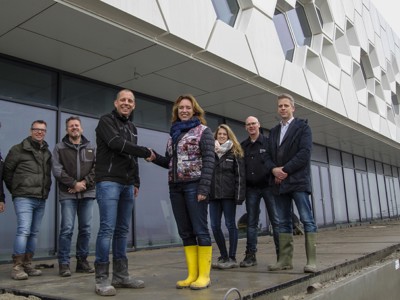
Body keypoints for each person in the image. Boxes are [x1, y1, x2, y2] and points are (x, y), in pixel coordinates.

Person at [149, 94, 215, 290]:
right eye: (180, 108)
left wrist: (204, 188)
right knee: (185, 232)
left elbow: (210, 161)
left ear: (194, 110)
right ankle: (192, 275)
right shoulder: (173, 135)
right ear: (176, 112)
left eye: (187, 107)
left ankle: (204, 276)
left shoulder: (204, 131)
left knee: (200, 230)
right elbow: (171, 162)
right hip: (176, 187)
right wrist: (154, 158)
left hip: (195, 186)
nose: (184, 110)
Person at [94, 89, 153, 296]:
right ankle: (101, 278)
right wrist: (146, 151)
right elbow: (116, 144)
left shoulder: (132, 127)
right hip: (109, 182)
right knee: (107, 229)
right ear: (116, 102)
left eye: (130, 101)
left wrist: (136, 181)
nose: (126, 103)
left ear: (134, 105)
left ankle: (121, 275)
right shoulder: (105, 121)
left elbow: (131, 157)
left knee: (122, 231)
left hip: (127, 184)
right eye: (123, 100)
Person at [266, 93, 317, 273]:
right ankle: (285, 260)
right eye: (280, 106)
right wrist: (274, 170)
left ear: (293, 108)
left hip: (298, 182)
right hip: (279, 184)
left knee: (307, 220)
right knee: (282, 222)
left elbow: (304, 154)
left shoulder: (303, 127)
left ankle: (311, 261)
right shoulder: (273, 132)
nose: (283, 108)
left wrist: (284, 170)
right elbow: (268, 157)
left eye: (286, 105)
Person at [3, 120, 52, 280]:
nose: (40, 132)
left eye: (42, 130)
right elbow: (7, 173)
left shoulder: (46, 151)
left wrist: (46, 191)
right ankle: (17, 267)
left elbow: (47, 175)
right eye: (36, 129)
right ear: (31, 130)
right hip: (24, 197)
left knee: (34, 233)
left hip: (40, 198)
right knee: (24, 230)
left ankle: (27, 264)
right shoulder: (18, 149)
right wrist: (17, 190)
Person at [52, 116, 96, 277]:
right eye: (71, 126)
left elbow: (97, 169)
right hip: (67, 194)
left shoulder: (91, 147)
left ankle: (82, 262)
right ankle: (64, 263)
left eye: (77, 125)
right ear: (67, 130)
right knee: (67, 229)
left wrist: (83, 183)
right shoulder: (59, 147)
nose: (74, 128)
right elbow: (57, 170)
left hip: (87, 193)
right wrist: (73, 184)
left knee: (85, 229)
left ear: (81, 128)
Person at [239, 116, 279, 267]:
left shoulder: (269, 143)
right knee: (251, 223)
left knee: (276, 221)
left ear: (259, 125)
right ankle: (250, 256)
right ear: (246, 127)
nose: (251, 126)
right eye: (248, 124)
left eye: (253, 123)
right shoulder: (243, 146)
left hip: (269, 187)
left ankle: (281, 255)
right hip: (252, 189)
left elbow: (276, 162)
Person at [210, 124, 245, 269]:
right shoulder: (210, 152)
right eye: (220, 134)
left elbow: (240, 177)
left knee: (230, 225)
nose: (222, 136)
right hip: (213, 196)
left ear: (229, 136)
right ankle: (223, 255)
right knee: (214, 226)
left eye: (225, 134)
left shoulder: (235, 153)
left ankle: (232, 257)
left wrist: (239, 196)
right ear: (216, 136)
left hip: (229, 196)